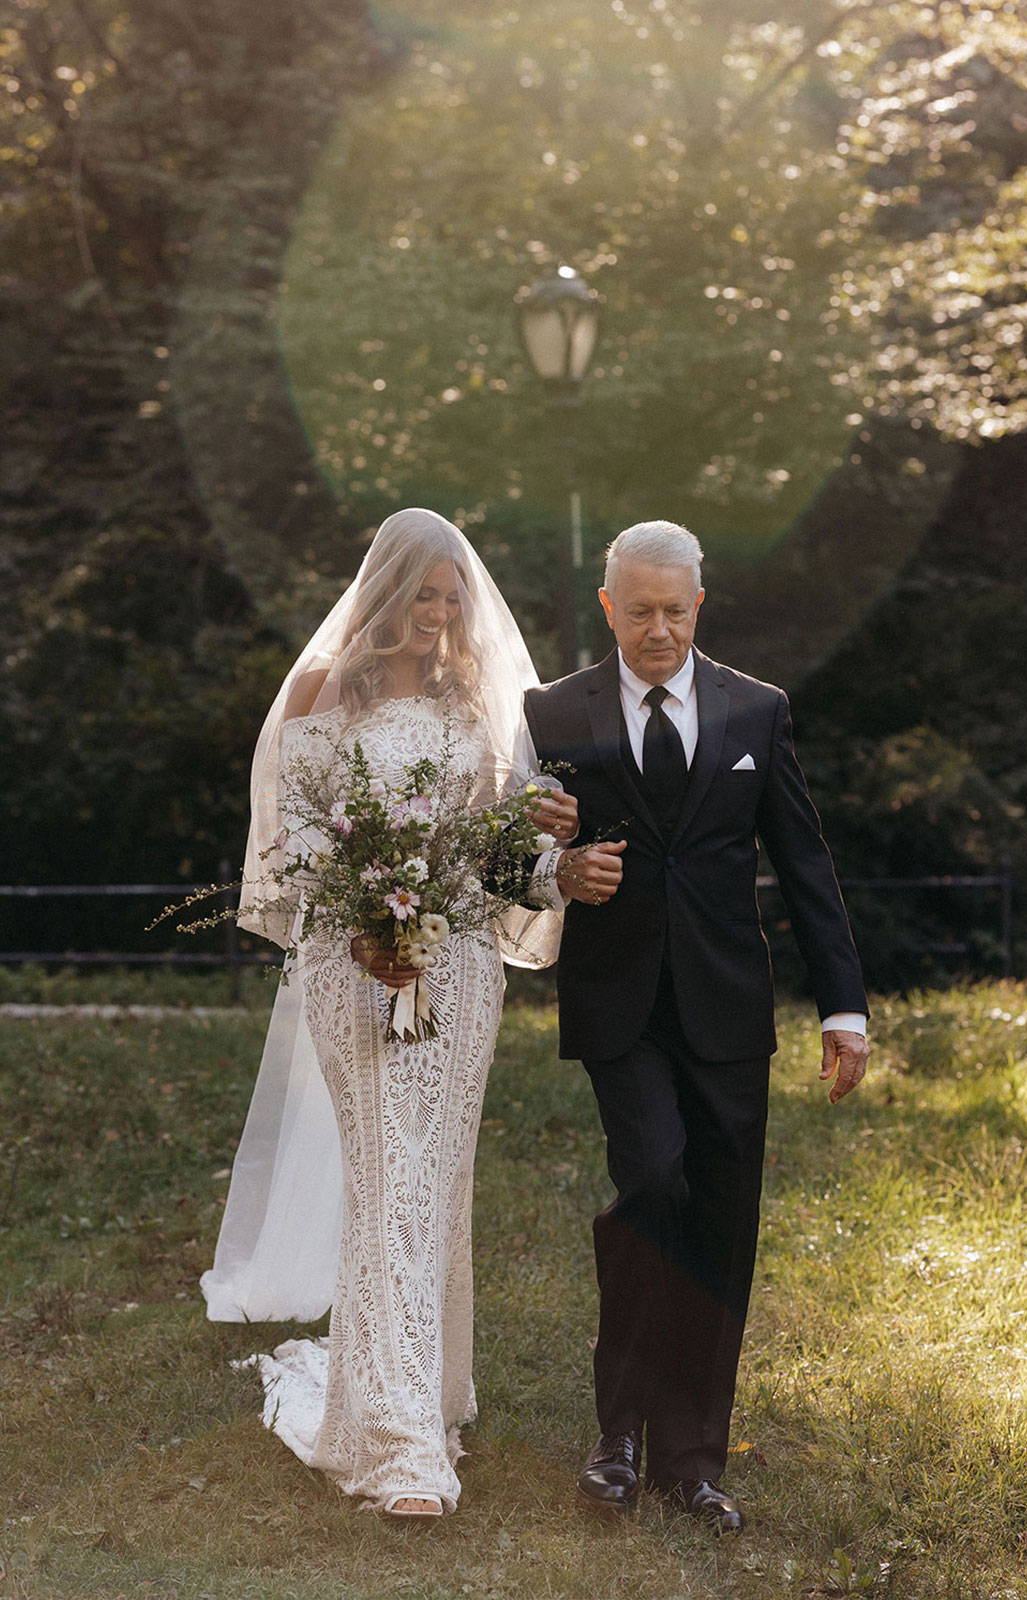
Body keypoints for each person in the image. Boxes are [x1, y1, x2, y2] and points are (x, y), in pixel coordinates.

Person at [201, 509, 572, 1517]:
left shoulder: (480, 704)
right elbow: (298, 832)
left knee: (433, 1175)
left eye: (452, 597)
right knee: (385, 1173)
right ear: (385, 592)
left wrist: (556, 859)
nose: (439, 612)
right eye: (422, 592)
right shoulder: (324, 690)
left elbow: (498, 852)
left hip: (452, 962)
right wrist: (361, 911)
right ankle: (399, 1444)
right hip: (348, 962)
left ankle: (423, 1393)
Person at [524, 520, 870, 1531]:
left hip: (728, 1005)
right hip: (618, 1001)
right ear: (607, 607)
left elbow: (805, 866)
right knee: (652, 1179)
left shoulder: (755, 711)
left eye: (676, 611)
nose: (659, 630)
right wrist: (553, 864)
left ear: (697, 606)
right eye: (640, 612)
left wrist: (841, 1008)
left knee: (719, 1216)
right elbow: (503, 849)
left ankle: (691, 1456)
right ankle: (615, 1436)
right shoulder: (551, 712)